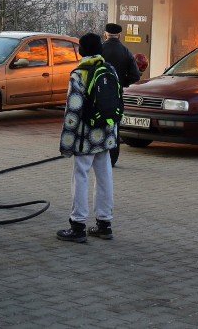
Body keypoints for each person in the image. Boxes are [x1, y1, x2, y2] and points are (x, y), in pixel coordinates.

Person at [56, 32, 118, 243]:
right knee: (105, 176)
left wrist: (67, 143)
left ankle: (78, 225)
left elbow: (72, 111)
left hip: (85, 136)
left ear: (82, 50)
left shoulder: (79, 74)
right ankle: (104, 224)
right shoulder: (110, 70)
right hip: (106, 134)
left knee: (81, 176)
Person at [100, 23, 141, 166]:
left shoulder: (99, 50)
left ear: (105, 34)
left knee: (98, 122)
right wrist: (122, 82)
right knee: (114, 124)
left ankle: (97, 154)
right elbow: (135, 76)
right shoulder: (126, 51)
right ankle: (112, 159)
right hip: (116, 95)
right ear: (119, 35)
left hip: (98, 95)